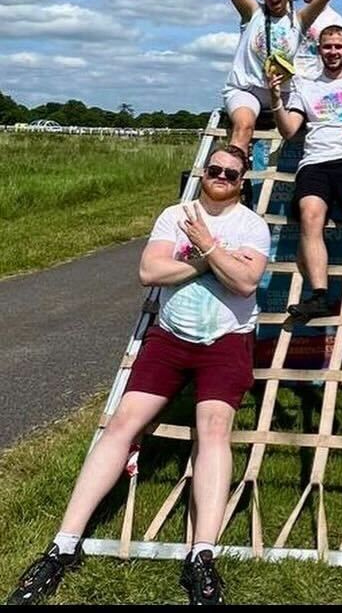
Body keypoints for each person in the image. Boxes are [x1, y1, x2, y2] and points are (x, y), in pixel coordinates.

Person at [7, 146, 271, 606]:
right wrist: (216, 259)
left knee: (213, 428)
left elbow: (246, 284)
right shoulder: (176, 213)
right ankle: (63, 545)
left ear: (242, 180)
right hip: (170, 338)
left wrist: (203, 245)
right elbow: (150, 270)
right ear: (203, 173)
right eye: (215, 170)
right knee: (123, 423)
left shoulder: (252, 225)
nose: (222, 176)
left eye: (231, 172)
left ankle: (201, 554)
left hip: (227, 340)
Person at [267, 25, 342, 327]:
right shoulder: (305, 85)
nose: (333, 52)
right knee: (310, 213)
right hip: (315, 161)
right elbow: (290, 130)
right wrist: (276, 98)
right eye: (327, 47)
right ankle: (319, 295)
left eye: (338, 47)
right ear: (319, 50)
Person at [221, 0, 342, 154]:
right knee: (244, 127)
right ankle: (230, 176)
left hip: (287, 90)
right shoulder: (253, 13)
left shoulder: (299, 21)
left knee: (313, 119)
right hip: (248, 87)